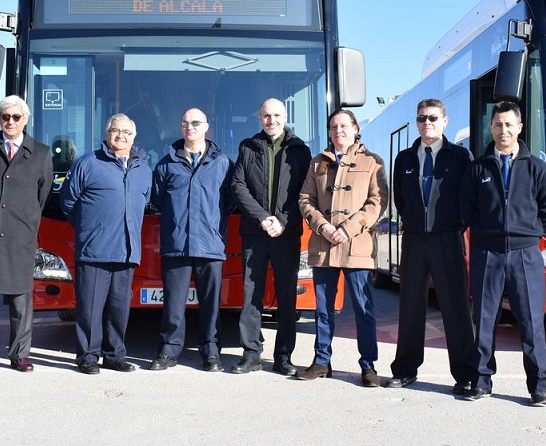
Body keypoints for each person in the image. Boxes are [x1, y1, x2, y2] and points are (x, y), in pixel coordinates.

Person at [461, 101, 546, 406]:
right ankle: (481, 380)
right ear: (490, 128)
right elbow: (467, 209)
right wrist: (486, 231)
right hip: (488, 253)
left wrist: (528, 234)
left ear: (519, 127)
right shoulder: (478, 168)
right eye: (497, 125)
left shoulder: (537, 168)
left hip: (525, 254)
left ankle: (538, 385)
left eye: (508, 125)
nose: (503, 130)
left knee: (531, 322)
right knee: (485, 319)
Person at [385, 99, 475, 394]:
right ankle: (405, 369)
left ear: (445, 121)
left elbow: (468, 198)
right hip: (413, 239)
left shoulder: (461, 156)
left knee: (456, 306)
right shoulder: (405, 158)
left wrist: (454, 225)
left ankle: (465, 374)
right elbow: (401, 199)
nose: (427, 123)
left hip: (446, 238)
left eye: (433, 118)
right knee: (410, 306)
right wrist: (414, 221)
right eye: (422, 118)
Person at [296, 109, 387, 386]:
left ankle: (368, 366)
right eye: (334, 126)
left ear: (356, 128)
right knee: (323, 310)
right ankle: (322, 361)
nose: (339, 131)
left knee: (363, 309)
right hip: (324, 246)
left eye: (344, 126)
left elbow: (377, 202)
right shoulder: (317, 163)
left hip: (356, 246)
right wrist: (323, 227)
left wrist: (347, 228)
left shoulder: (373, 162)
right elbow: (305, 199)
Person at [59, 113, 152, 374]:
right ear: (107, 133)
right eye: (115, 130)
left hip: (127, 251)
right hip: (94, 250)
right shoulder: (87, 163)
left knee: (119, 308)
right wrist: (90, 228)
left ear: (134, 137)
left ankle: (114, 356)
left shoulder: (143, 169)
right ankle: (88, 357)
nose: (121, 135)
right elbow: (68, 202)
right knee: (89, 308)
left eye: (126, 131)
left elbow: (143, 203)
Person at [0, 96, 52, 373]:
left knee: (20, 300)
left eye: (16, 117)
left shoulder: (40, 152)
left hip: (20, 235)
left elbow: (43, 194)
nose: (10, 121)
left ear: (25, 119)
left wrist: (25, 220)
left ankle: (20, 354)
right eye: (5, 116)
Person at [230, 98, 312, 375]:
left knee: (287, 296)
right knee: (250, 295)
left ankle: (284, 357)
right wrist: (263, 218)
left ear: (285, 116)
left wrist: (283, 220)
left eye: (277, 115)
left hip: (286, 234)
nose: (272, 120)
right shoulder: (247, 147)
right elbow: (238, 185)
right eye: (266, 115)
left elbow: (304, 192)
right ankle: (251, 354)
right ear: (259, 117)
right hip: (255, 232)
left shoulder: (301, 150)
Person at [148, 108, 234, 373]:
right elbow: (156, 199)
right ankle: (168, 351)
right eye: (185, 123)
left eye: (195, 123)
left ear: (207, 127)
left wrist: (212, 225)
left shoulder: (223, 163)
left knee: (211, 303)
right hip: (176, 244)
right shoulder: (166, 163)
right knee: (173, 303)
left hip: (210, 244)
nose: (190, 127)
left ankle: (211, 352)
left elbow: (229, 201)